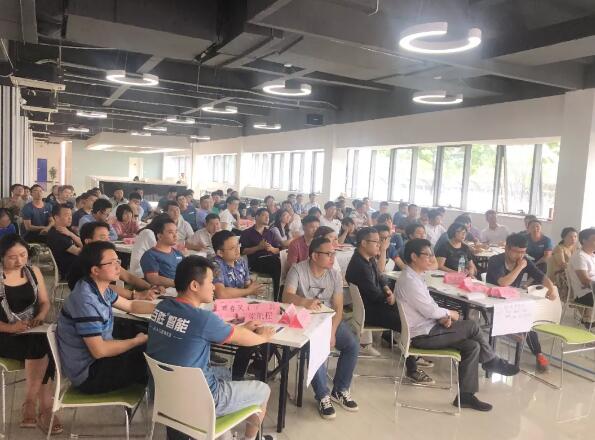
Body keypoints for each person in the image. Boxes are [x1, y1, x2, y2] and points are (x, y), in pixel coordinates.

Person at [146, 256, 276, 440]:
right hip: (202, 400)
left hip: (164, 394)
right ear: (194, 285)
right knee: (263, 390)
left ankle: (221, 434)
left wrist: (241, 330)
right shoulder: (203, 319)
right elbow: (244, 340)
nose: (214, 287)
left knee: (226, 373)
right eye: (210, 282)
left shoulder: (162, 307)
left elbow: (214, 332)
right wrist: (263, 337)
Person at [396, 238, 520, 412]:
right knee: (472, 326)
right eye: (427, 255)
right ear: (414, 257)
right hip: (422, 335)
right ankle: (492, 361)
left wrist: (442, 317)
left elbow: (429, 306)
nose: (432, 259)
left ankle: (466, 396)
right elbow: (430, 310)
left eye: (432, 254)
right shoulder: (409, 281)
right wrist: (449, 314)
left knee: (473, 346)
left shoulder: (416, 277)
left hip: (430, 327)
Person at [56, 241, 154, 393]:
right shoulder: (85, 300)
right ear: (95, 270)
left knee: (149, 336)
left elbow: (130, 306)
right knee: (154, 351)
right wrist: (136, 341)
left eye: (117, 261)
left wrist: (164, 308)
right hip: (90, 374)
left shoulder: (99, 288)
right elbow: (99, 350)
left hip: (100, 361)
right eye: (111, 263)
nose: (118, 267)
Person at [284, 237, 359, 419]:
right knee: (317, 346)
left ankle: (340, 389)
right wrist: (304, 302)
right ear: (315, 255)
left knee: (352, 345)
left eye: (334, 253)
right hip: (304, 321)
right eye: (328, 254)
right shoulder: (298, 270)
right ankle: (322, 395)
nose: (333, 258)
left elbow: (338, 308)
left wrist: (332, 332)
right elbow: (286, 297)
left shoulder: (334, 274)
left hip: (328, 321)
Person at [345, 227, 432, 384]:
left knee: (408, 313)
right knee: (407, 322)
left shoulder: (367, 258)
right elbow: (374, 294)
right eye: (375, 242)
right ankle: (412, 367)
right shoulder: (359, 265)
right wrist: (389, 299)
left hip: (375, 306)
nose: (379, 245)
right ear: (363, 243)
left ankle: (411, 352)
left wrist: (386, 289)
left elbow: (380, 276)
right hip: (370, 311)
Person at [0, 234, 63, 435]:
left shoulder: (32, 272)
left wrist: (41, 316)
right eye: (12, 257)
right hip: (4, 333)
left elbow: (44, 302)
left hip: (31, 330)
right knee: (44, 346)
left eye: (23, 255)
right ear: (2, 257)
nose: (19, 260)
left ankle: (33, 405)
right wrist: (11, 328)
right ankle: (43, 407)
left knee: (47, 342)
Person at [486, 233, 557, 373]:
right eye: (517, 252)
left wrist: (551, 289)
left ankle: (538, 354)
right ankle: (512, 332)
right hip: (493, 302)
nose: (520, 255)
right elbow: (503, 283)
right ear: (507, 248)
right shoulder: (496, 260)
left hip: (513, 302)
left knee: (527, 321)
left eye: (523, 252)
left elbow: (541, 276)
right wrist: (520, 267)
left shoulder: (524, 260)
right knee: (523, 321)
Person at [68, 222, 159, 300]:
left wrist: (152, 288)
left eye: (108, 237)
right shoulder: (84, 263)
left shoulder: (105, 258)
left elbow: (128, 277)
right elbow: (104, 288)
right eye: (103, 237)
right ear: (88, 241)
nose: (108, 241)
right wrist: (136, 295)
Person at [239, 208, 282, 300]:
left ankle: (280, 295)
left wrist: (271, 249)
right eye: (264, 215)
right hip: (256, 262)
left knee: (280, 263)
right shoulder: (247, 233)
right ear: (257, 217)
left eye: (268, 216)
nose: (267, 218)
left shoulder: (270, 233)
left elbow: (278, 249)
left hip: (272, 259)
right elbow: (242, 251)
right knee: (277, 263)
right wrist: (258, 247)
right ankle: (277, 298)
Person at [140, 218, 184, 288]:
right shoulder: (150, 255)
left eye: (176, 232)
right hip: (167, 291)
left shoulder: (178, 254)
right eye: (170, 232)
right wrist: (179, 284)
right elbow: (153, 278)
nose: (175, 235)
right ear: (160, 236)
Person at [47, 204, 83, 279]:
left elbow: (82, 243)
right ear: (56, 217)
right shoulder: (56, 235)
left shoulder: (67, 229)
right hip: (71, 270)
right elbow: (79, 252)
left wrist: (71, 234)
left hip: (79, 264)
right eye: (67, 215)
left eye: (71, 215)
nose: (70, 218)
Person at [568, 228, 595, 317]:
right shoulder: (580, 256)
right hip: (584, 295)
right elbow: (585, 281)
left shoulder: (592, 255)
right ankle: (588, 320)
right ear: (584, 241)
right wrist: (591, 284)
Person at [547, 227, 578, 302]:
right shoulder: (559, 248)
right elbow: (562, 265)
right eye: (570, 236)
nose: (573, 239)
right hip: (558, 275)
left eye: (575, 237)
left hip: (570, 273)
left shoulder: (575, 248)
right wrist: (578, 268)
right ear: (564, 237)